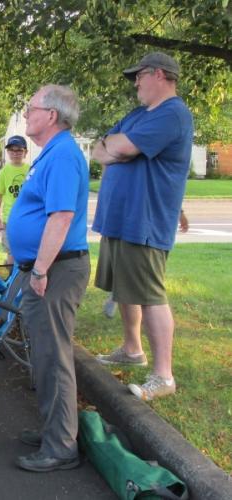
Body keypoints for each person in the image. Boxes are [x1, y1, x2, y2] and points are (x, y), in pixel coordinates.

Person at [91, 52, 193, 401]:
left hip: (145, 218)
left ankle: (164, 376)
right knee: (125, 287)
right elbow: (99, 149)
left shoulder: (172, 113)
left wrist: (119, 148)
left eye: (139, 75)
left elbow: (123, 146)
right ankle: (133, 349)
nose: (135, 82)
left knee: (150, 295)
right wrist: (115, 148)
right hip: (121, 218)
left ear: (159, 75)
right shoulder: (139, 114)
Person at [7, 84, 90, 472]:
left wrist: (39, 269)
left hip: (56, 270)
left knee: (53, 357)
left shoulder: (63, 155)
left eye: (31, 108)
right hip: (46, 270)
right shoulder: (51, 154)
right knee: (43, 354)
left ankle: (61, 447)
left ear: (51, 115)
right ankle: (55, 430)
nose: (26, 114)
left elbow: (61, 217)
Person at [102, 209, 190, 318]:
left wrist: (180, 213)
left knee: (145, 285)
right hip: (133, 226)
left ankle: (120, 293)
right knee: (132, 278)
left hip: (150, 231)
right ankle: (119, 292)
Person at [0, 135, 30, 264]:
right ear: (7, 152)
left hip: (27, 218)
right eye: (12, 150)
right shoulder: (4, 172)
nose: (15, 153)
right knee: (11, 251)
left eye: (19, 150)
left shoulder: (30, 170)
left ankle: (24, 278)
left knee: (27, 249)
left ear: (25, 152)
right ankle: (10, 279)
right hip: (10, 219)